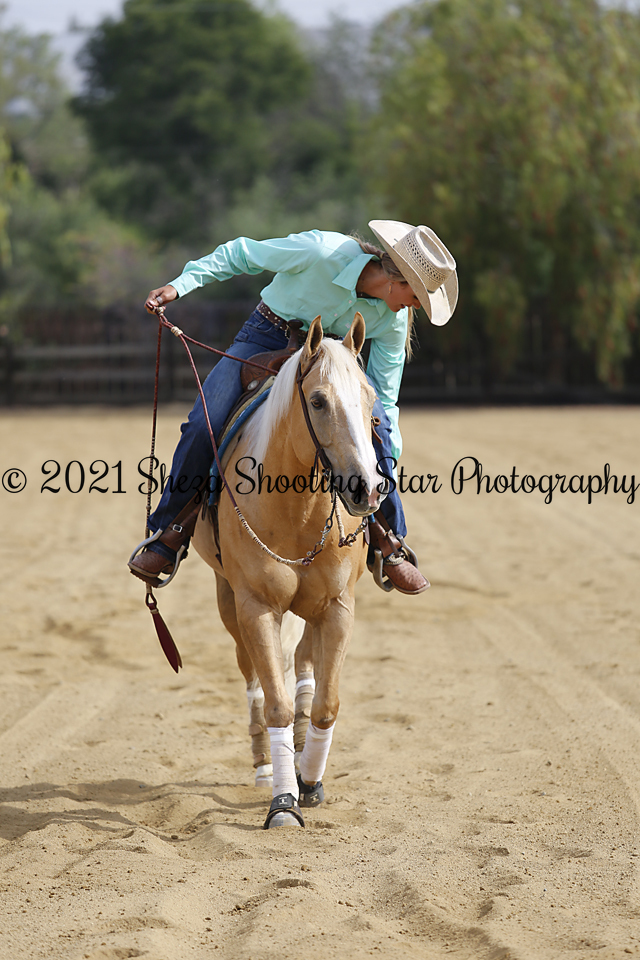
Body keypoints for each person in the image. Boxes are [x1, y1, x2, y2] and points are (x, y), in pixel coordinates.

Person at [129, 220, 458, 594]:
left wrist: (387, 449)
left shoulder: (394, 319)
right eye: (417, 296)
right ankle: (168, 534)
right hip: (264, 339)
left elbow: (383, 391)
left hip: (333, 361)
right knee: (204, 425)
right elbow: (241, 253)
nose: (415, 307)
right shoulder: (320, 252)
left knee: (379, 435)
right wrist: (180, 285)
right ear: (396, 280)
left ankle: (389, 543)